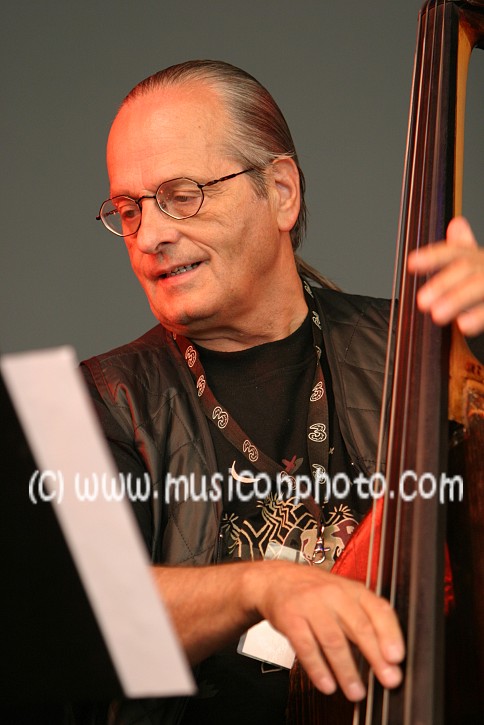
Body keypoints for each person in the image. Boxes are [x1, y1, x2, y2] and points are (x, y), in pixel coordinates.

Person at [83, 60, 484, 725]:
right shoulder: (102, 400)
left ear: (281, 191)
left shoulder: (432, 355)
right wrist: (259, 585)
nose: (150, 235)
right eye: (130, 209)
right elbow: (88, 614)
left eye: (182, 195)